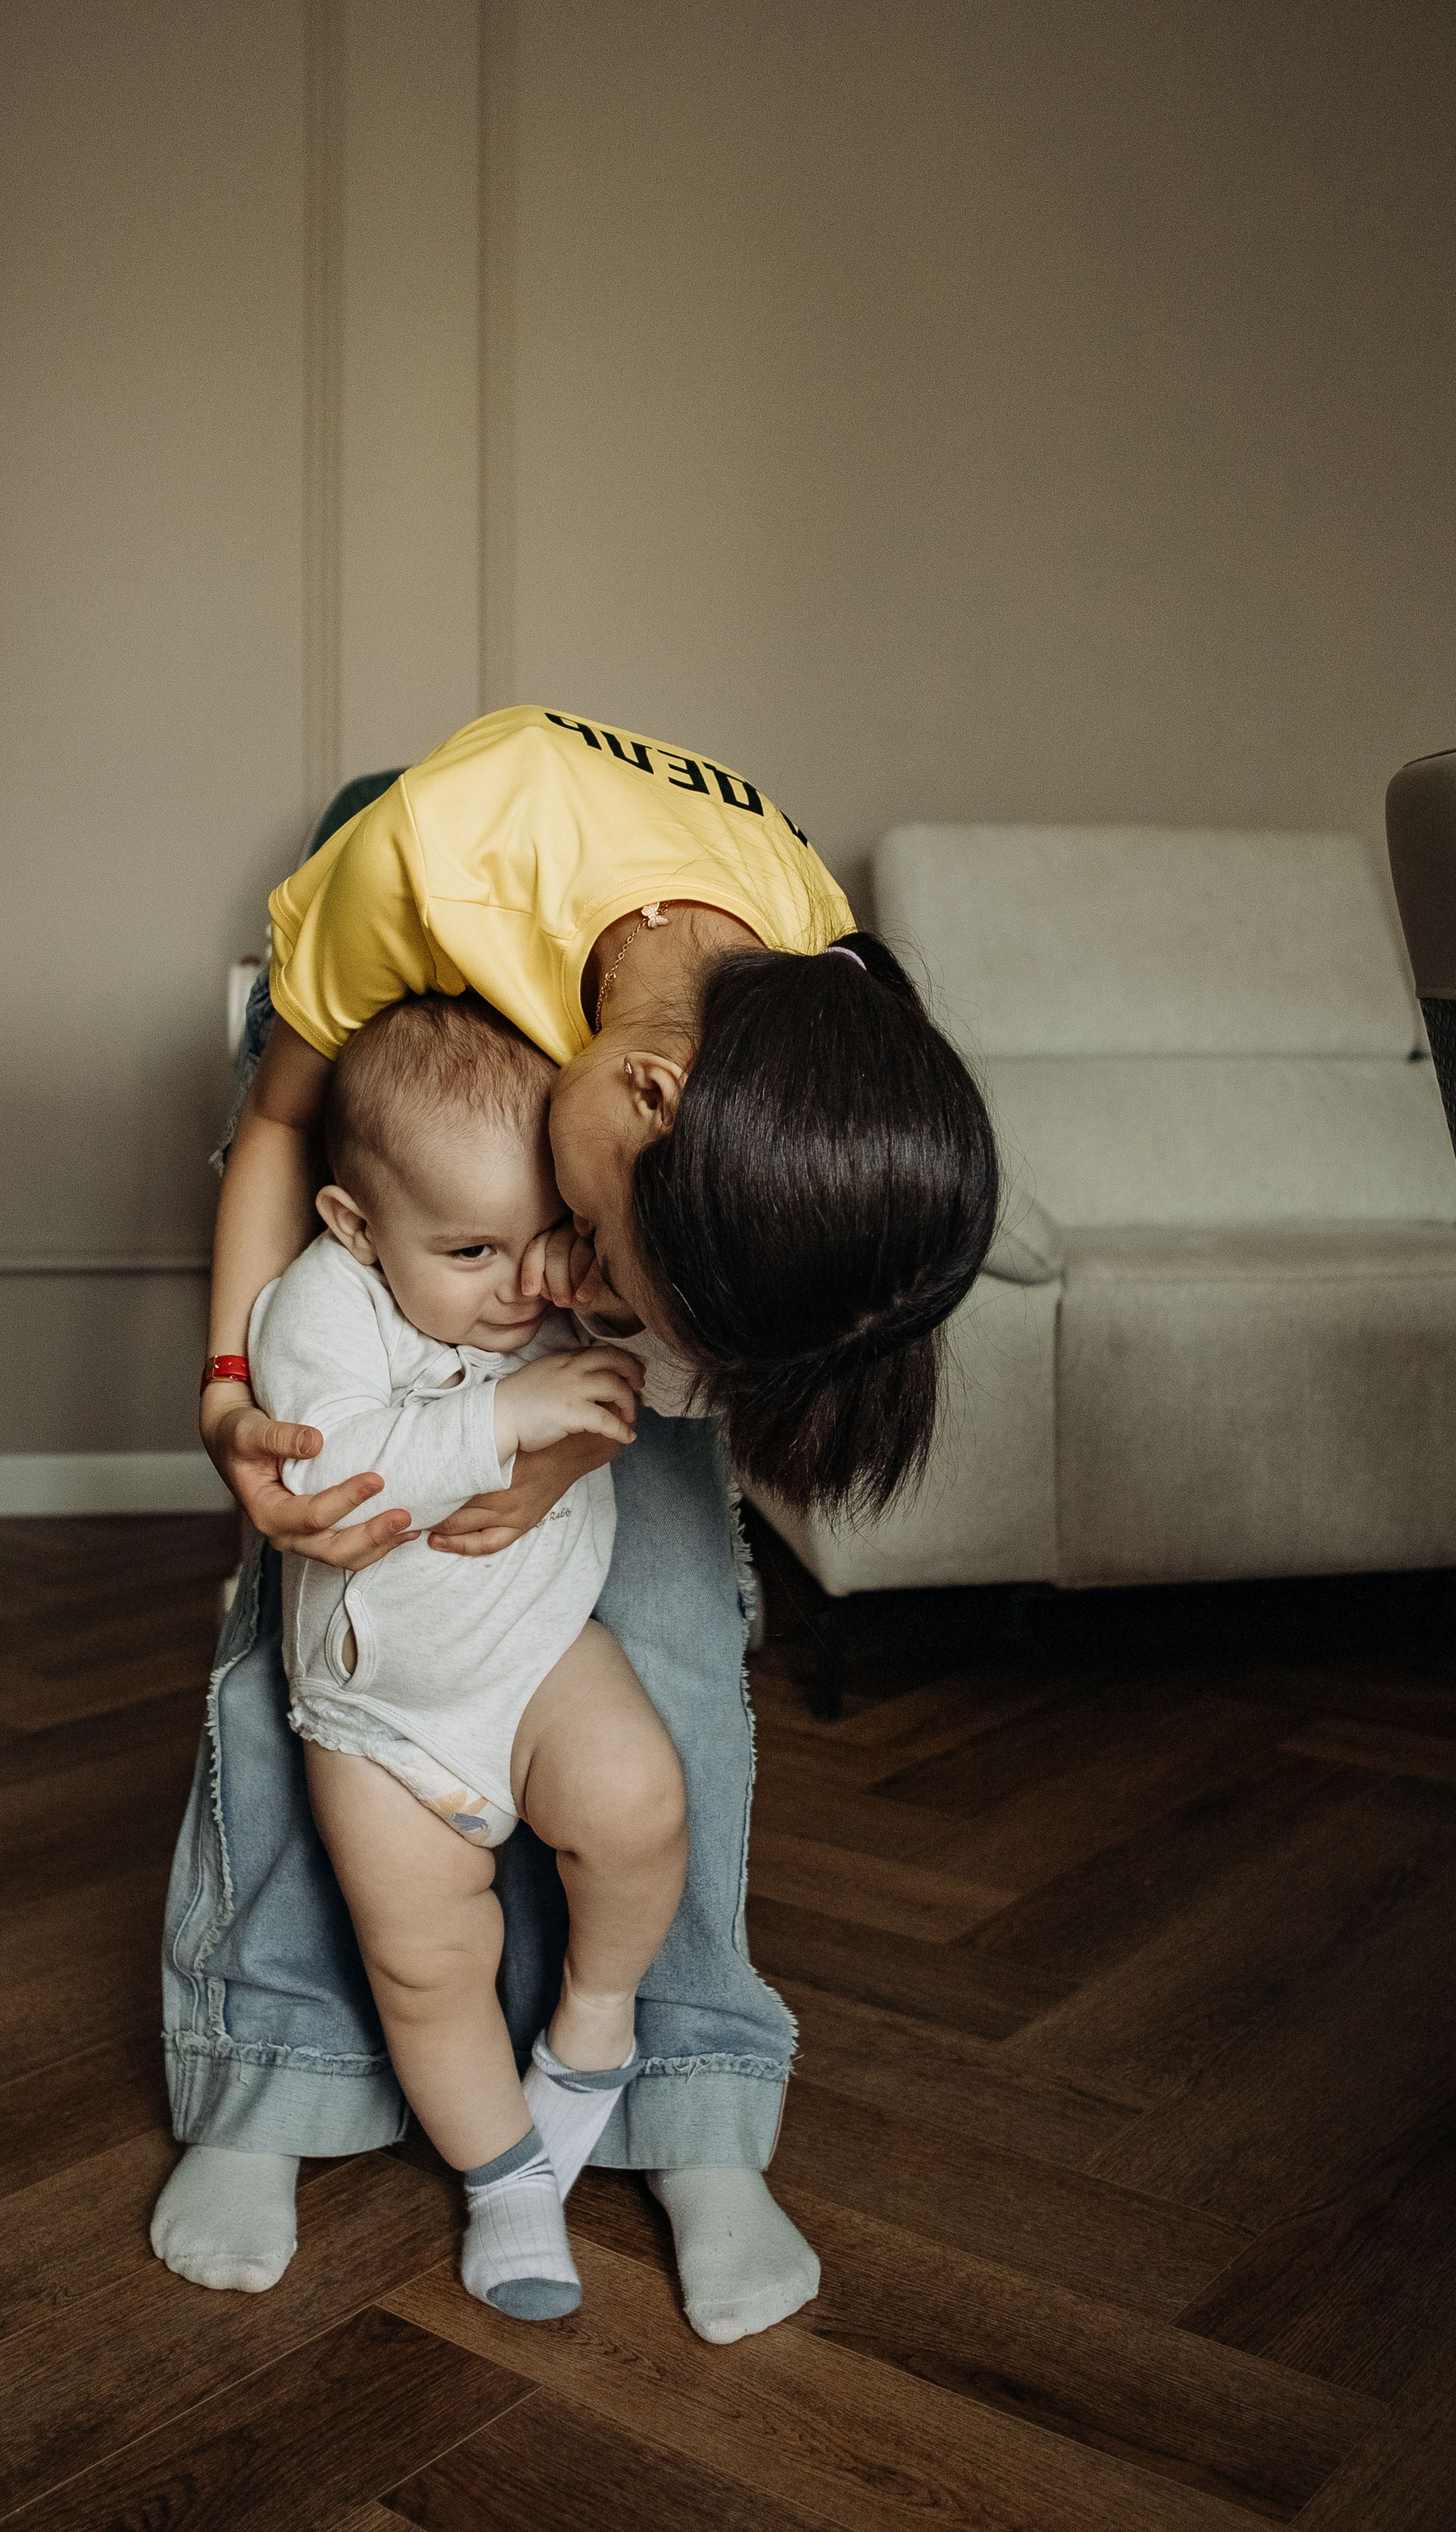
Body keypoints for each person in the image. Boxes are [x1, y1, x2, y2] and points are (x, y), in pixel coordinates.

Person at [154, 704, 999, 2342]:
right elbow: (275, 1128)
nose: (580, 1297)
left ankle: (682, 2093)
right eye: (606, 1253)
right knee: (308, 1622)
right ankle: (272, 2073)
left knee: (679, 1634)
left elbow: (671, 1331)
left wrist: (558, 1439)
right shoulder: (432, 856)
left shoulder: (801, 996)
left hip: (576, 1280)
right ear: (646, 1088)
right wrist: (222, 1403)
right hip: (420, 1130)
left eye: (615, 1278)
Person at [254, 989, 687, 2320]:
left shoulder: (557, 1280)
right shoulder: (317, 1308)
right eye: (471, 1251)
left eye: (547, 1236)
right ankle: (504, 2184)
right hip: (381, 1719)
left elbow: (687, 1372)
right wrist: (514, 1416)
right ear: (356, 1226)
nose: (522, 1287)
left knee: (640, 1804)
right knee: (425, 1960)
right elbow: (338, 1462)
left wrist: (624, 1312)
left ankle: (595, 2022)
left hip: (539, 1655)